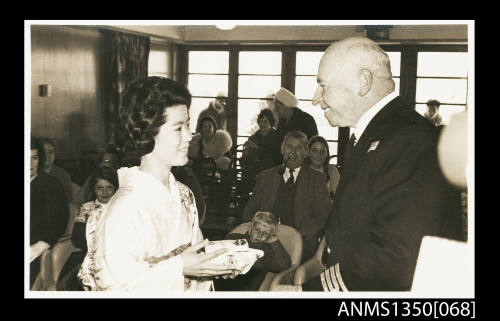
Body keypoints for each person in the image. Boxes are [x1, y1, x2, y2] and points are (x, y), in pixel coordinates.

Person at [286, 37, 464, 292]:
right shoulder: (376, 134)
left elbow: (397, 261)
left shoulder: (409, 141)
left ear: (363, 82)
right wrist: (321, 259)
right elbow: (357, 218)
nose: (316, 99)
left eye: (323, 86)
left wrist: (308, 291)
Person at [80, 76, 235, 292]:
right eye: (178, 128)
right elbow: (113, 285)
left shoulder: (183, 193)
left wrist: (213, 264)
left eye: (188, 125)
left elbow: (195, 256)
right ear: (147, 134)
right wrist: (179, 266)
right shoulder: (125, 206)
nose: (190, 136)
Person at [242, 130, 331, 263]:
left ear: (306, 153)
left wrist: (296, 235)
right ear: (282, 149)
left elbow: (324, 215)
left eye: (299, 148)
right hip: (264, 239)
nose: (293, 151)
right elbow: (250, 210)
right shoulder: (265, 177)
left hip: (300, 241)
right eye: (289, 146)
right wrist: (257, 232)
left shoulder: (317, 179)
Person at [56, 166, 119, 290]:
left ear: (115, 189)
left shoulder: (120, 208)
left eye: (109, 187)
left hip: (115, 255)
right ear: (94, 190)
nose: (104, 192)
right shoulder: (87, 209)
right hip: (89, 254)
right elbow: (77, 239)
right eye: (100, 188)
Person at [214, 211, 291, 291]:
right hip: (219, 283)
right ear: (250, 228)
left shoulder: (267, 250)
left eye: (265, 234)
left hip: (245, 289)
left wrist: (274, 240)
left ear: (270, 236)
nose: (260, 235)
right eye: (257, 230)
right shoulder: (235, 238)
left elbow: (284, 265)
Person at [30, 136, 69, 289]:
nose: (30, 164)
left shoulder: (50, 185)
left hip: (35, 251)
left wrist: (39, 246)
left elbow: (57, 221)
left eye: (34, 157)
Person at [241, 108, 283, 193]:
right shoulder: (254, 137)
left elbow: (275, 155)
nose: (262, 124)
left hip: (270, 169)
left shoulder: (276, 136)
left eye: (265, 121)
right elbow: (243, 160)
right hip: (252, 169)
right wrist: (245, 153)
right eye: (260, 121)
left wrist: (257, 148)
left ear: (271, 122)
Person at [305, 135, 341, 200]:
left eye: (322, 151)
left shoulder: (332, 171)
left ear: (327, 154)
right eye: (315, 150)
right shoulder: (302, 172)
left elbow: (339, 197)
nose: (319, 155)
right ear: (308, 153)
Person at [39, 136, 73, 202]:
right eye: (43, 152)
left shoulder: (62, 174)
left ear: (55, 153)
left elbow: (68, 199)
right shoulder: (32, 172)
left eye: (50, 152)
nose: (47, 156)